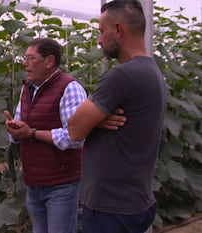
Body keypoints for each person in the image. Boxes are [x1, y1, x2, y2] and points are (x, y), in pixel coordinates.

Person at [67, 0, 167, 232]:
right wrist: (99, 121)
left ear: (119, 29)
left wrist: (92, 121)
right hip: (136, 199)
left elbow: (74, 130)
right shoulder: (152, 72)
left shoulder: (122, 75)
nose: (100, 39)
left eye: (102, 31)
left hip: (111, 208)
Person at [3, 38, 87, 233]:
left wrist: (31, 133)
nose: (25, 63)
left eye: (31, 58)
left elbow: (75, 137)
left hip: (61, 184)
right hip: (34, 182)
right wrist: (15, 130)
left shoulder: (70, 88)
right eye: (25, 58)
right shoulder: (27, 88)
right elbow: (21, 125)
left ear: (49, 61)